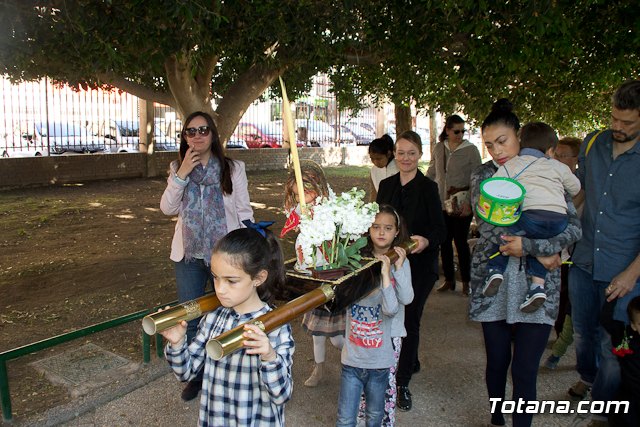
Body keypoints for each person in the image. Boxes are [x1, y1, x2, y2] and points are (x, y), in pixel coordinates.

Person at [468, 99, 581, 427]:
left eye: (502, 141)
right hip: (495, 284)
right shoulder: (485, 175)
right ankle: (496, 417)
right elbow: (490, 226)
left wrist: (531, 247)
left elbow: (572, 227)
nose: (495, 151)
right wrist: (542, 249)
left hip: (540, 287)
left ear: (519, 136)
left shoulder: (548, 172)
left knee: (525, 370)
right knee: (497, 361)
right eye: (488, 144)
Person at [160, 111, 254, 401]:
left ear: (213, 134)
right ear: (184, 136)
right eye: (191, 131)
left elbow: (243, 209)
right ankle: (196, 375)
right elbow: (167, 208)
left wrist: (251, 240)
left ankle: (227, 368)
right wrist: (181, 174)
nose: (197, 136)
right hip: (188, 254)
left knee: (226, 312)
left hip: (224, 255)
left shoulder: (232, 168)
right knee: (190, 315)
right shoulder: (177, 167)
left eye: (203, 130)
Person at [160, 225, 294, 427]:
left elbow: (282, 395)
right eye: (215, 278)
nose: (220, 290)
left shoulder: (274, 326)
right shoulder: (213, 318)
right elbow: (185, 372)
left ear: (258, 278)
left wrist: (269, 356)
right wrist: (178, 343)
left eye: (231, 281)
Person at [567, 80, 640, 426]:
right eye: (614, 118)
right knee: (582, 333)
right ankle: (588, 377)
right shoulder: (593, 142)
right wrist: (557, 228)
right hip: (582, 261)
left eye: (627, 122)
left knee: (614, 348)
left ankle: (603, 408)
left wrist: (632, 273)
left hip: (625, 271)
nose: (618, 127)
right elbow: (580, 195)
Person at [377, 130, 446, 411]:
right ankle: (405, 359)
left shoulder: (428, 188)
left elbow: (440, 229)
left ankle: (402, 381)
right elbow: (377, 220)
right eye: (401, 152)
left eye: (411, 153)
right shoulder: (386, 184)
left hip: (419, 265)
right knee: (387, 314)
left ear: (419, 155)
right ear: (394, 153)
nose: (406, 158)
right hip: (390, 263)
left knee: (409, 318)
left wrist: (425, 240)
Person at [482, 122, 581, 312]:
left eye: (503, 141)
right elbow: (575, 188)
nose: (497, 150)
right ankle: (537, 286)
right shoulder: (558, 167)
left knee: (506, 226)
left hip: (530, 217)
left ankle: (495, 270)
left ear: (520, 142)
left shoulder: (513, 165)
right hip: (559, 221)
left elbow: (494, 186)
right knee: (540, 237)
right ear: (551, 150)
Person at [336, 207, 411, 427]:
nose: (381, 232)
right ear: (367, 228)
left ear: (397, 231)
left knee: (382, 391)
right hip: (361, 335)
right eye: (376, 227)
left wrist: (396, 269)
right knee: (356, 393)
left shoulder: (401, 259)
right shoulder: (358, 259)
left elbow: (406, 298)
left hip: (390, 335)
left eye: (388, 228)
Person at [281, 160, 345, 387]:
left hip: (326, 272)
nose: (301, 199)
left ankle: (354, 359)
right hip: (308, 272)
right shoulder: (300, 207)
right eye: (297, 195)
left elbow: (336, 235)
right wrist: (300, 218)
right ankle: (318, 369)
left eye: (305, 193)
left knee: (337, 338)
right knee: (317, 333)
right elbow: (293, 224)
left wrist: (318, 219)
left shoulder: (329, 208)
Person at [428, 114, 482, 296]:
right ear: (447, 130)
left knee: (461, 242)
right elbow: (432, 171)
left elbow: (477, 178)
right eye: (456, 131)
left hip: (462, 203)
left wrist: (469, 204)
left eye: (462, 131)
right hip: (442, 202)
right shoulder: (439, 148)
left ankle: (466, 281)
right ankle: (449, 280)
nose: (460, 135)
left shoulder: (471, 150)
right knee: (444, 242)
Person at [544, 136, 582, 370]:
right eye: (555, 154)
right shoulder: (554, 179)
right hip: (559, 249)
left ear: (576, 159)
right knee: (559, 297)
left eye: (562, 155)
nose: (556, 158)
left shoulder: (578, 183)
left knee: (568, 299)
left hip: (574, 252)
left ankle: (562, 342)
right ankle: (559, 337)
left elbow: (572, 214)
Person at [601, 296, 640, 427]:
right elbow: (606, 321)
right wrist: (611, 298)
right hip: (628, 396)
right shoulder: (626, 339)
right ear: (634, 325)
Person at [369, 134, 398, 201]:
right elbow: (374, 193)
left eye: (379, 159)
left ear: (388, 154)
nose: (375, 162)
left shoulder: (400, 167)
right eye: (372, 159)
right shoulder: (373, 170)